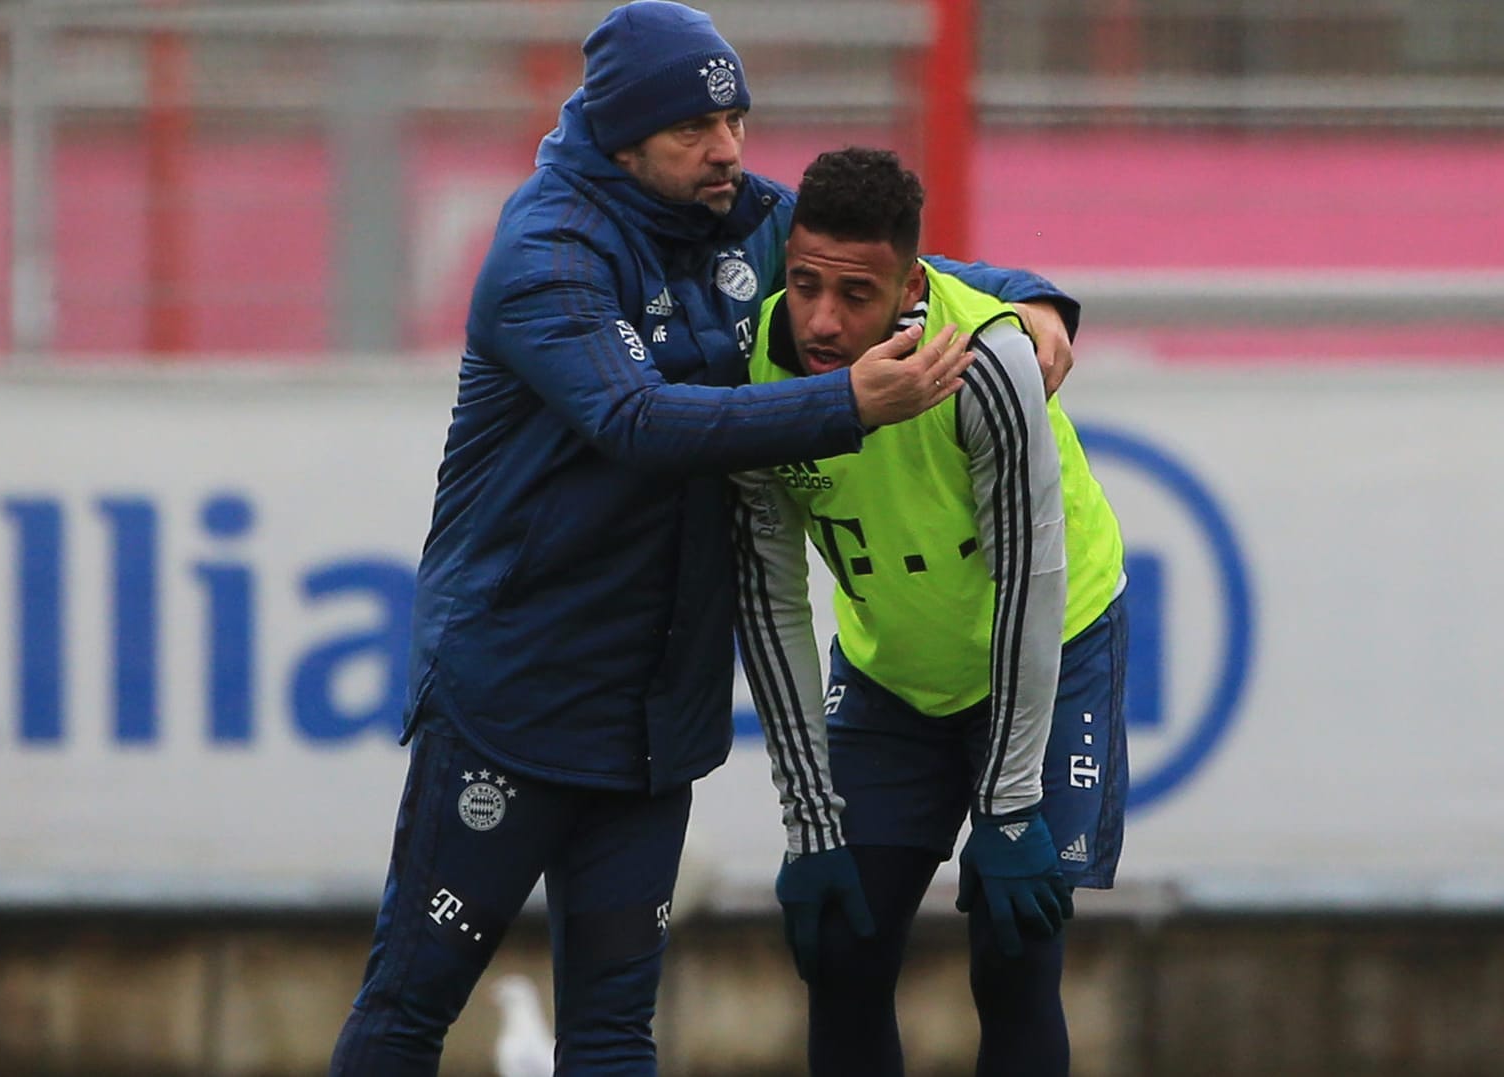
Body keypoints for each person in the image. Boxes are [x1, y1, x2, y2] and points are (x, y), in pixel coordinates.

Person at [329, 5, 1083, 1074]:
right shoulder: (547, 254)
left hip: (652, 725)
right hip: (517, 701)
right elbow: (639, 423)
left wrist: (1035, 304)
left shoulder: (733, 217)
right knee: (411, 1009)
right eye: (694, 127)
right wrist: (849, 408)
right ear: (623, 133)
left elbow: (895, 263)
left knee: (609, 1034)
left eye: (735, 117)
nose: (727, 146)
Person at [732, 146, 1128, 1077]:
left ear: (913, 285)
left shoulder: (987, 361)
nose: (824, 321)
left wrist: (1007, 801)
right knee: (841, 949)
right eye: (805, 285)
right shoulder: (749, 371)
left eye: (857, 294)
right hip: (891, 676)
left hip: (1050, 646)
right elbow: (769, 596)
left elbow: (1027, 584)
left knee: (1013, 951)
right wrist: (808, 819)